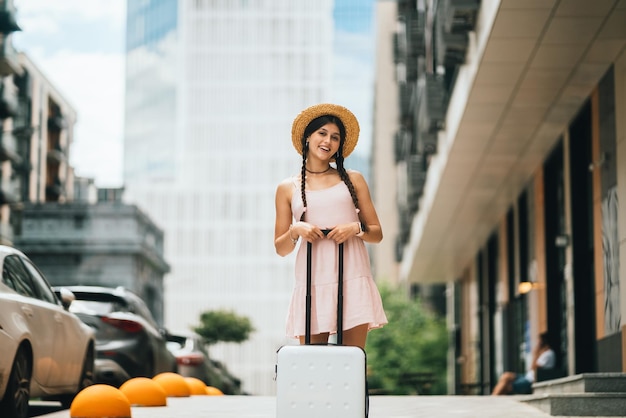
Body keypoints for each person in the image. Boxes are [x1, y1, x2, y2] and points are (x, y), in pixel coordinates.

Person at [274, 103, 388, 350]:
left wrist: (354, 228)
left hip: (352, 276)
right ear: (308, 138)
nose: (328, 141)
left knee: (352, 361)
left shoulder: (353, 179)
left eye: (335, 137)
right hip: (312, 282)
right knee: (312, 365)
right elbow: (281, 248)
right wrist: (296, 230)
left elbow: (376, 233)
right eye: (322, 133)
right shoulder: (287, 188)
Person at [491, 332, 556, 395]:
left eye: (539, 341)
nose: (537, 343)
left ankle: (493, 397)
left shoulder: (549, 354)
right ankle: (493, 396)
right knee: (506, 376)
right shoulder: (543, 353)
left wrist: (536, 355)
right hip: (527, 376)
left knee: (506, 386)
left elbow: (533, 367)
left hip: (531, 380)